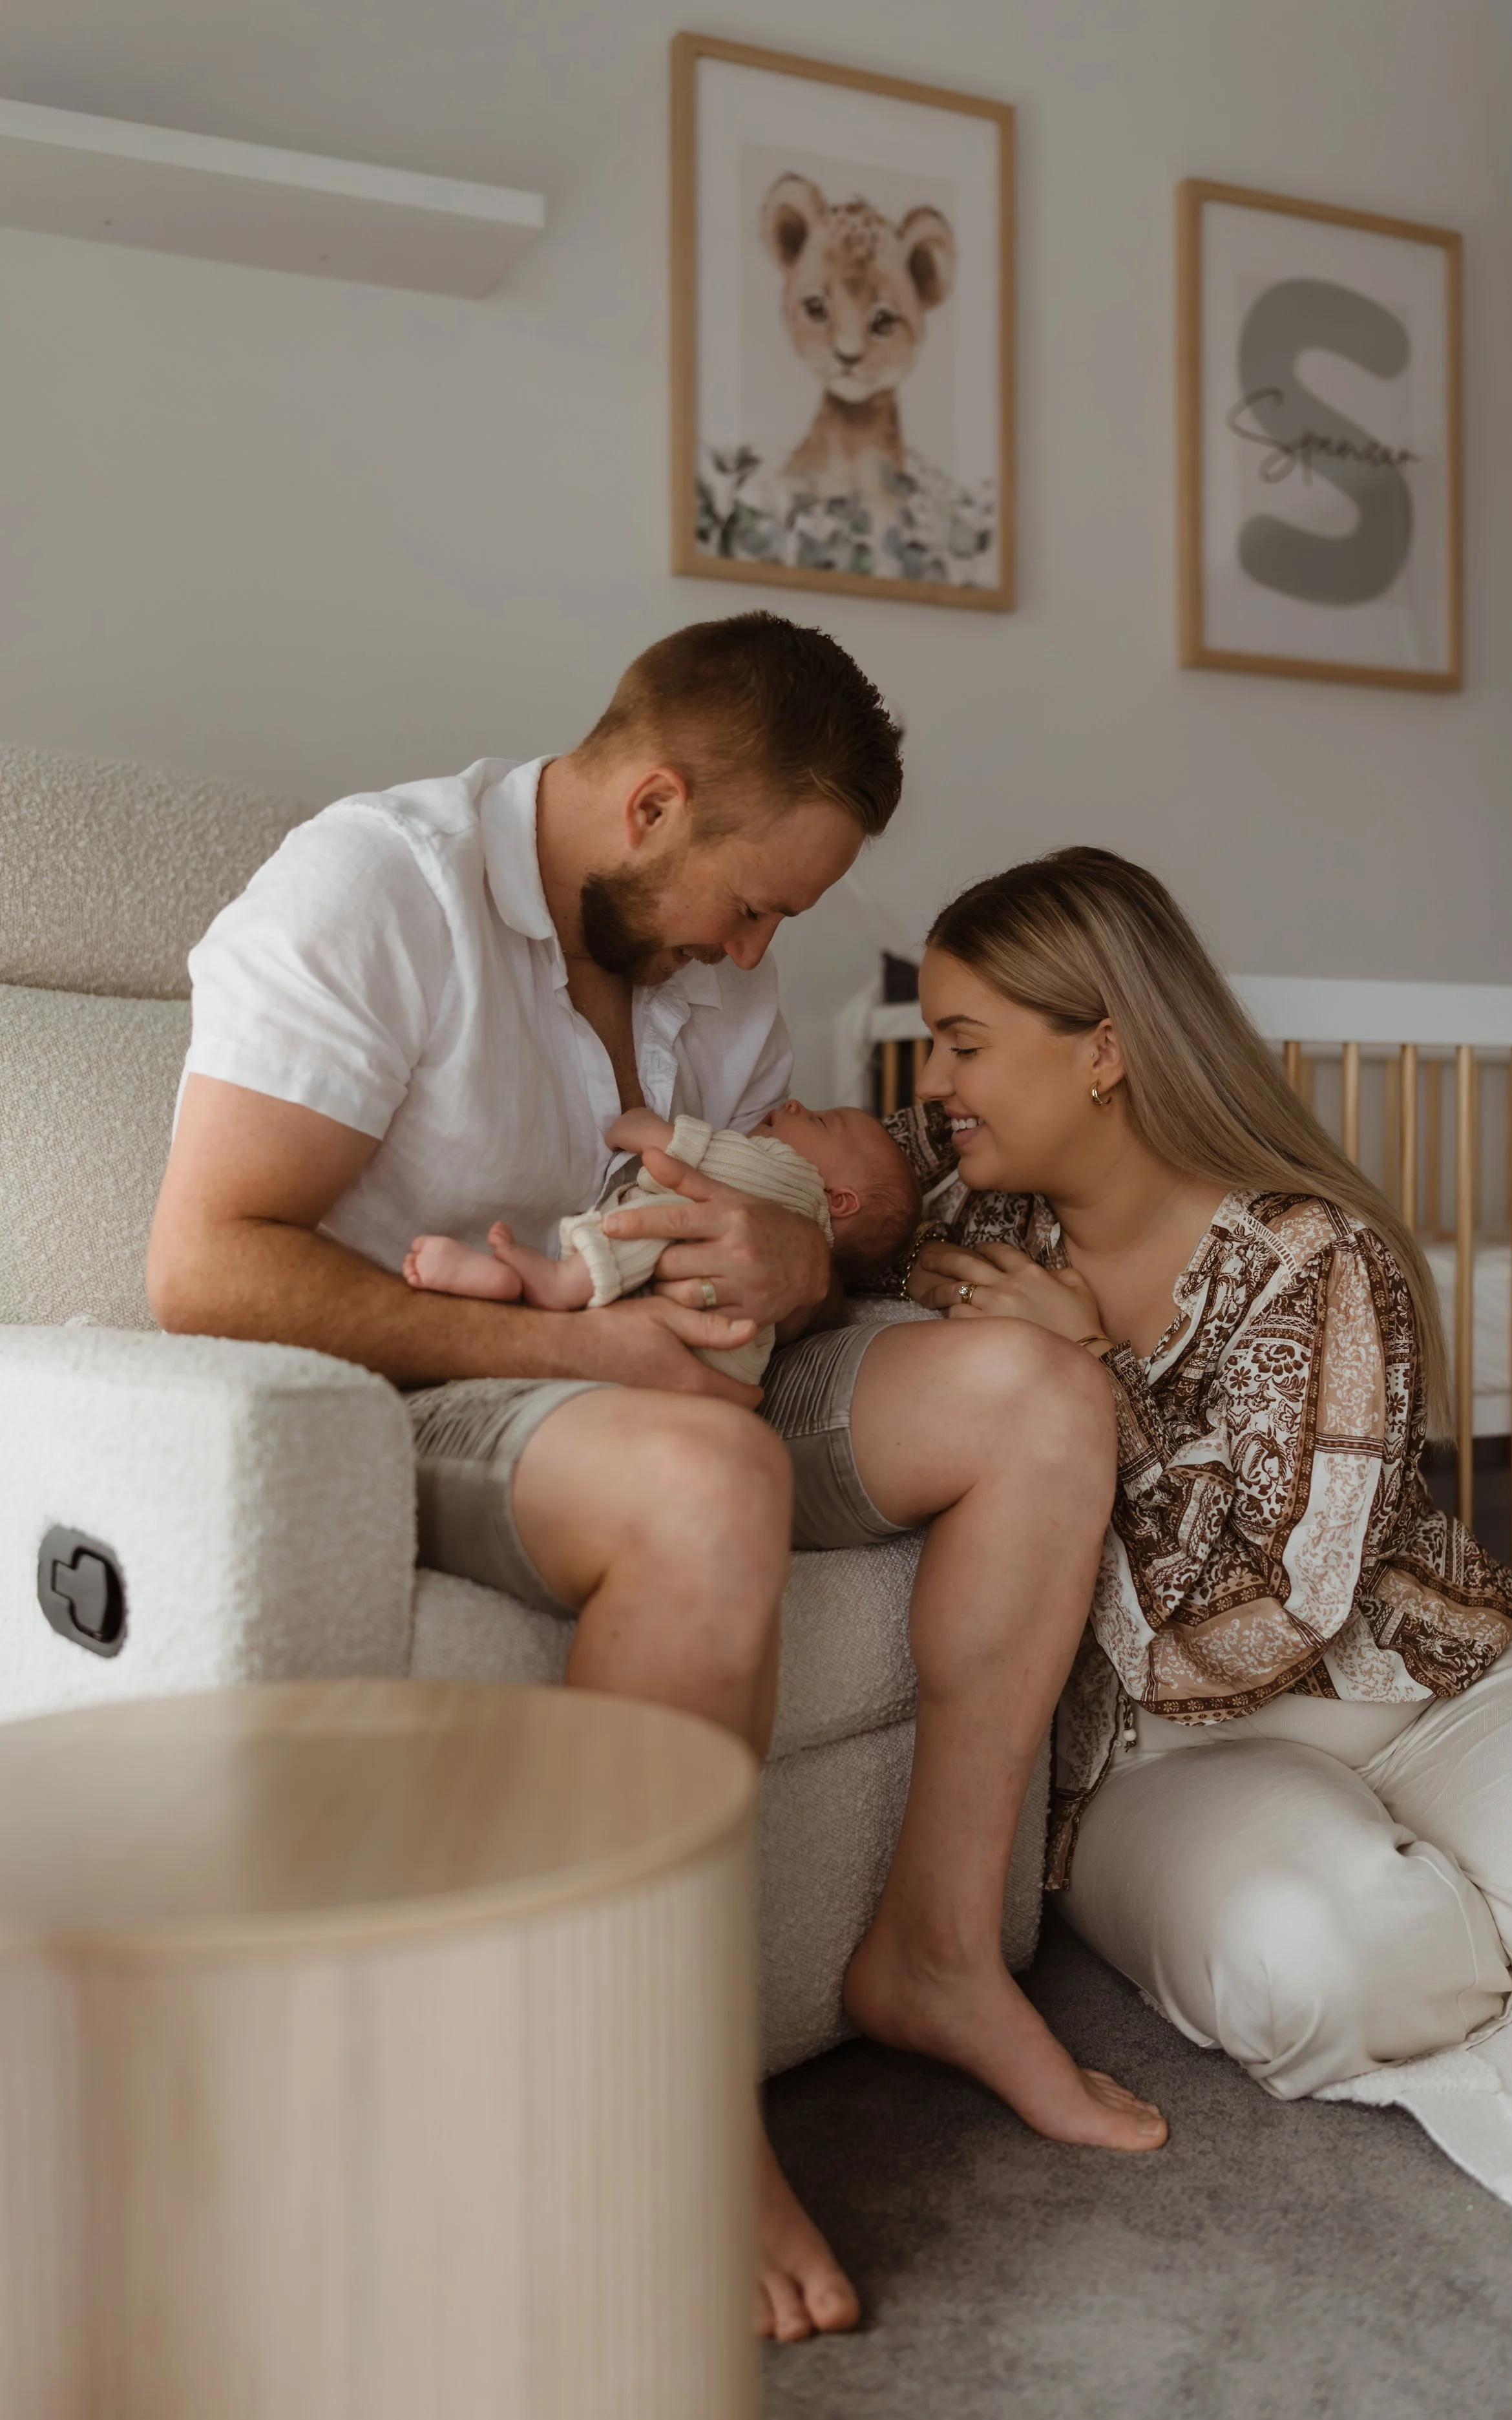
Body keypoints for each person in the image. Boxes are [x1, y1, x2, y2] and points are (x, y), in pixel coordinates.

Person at [146, 615, 1160, 2348]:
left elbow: (773, 1228)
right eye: (750, 906)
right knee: (706, 1478)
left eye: (777, 924)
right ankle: (653, 2086)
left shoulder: (709, 968)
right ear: (652, 805)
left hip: (674, 1364)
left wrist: (798, 1257)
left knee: (1043, 1402)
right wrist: (585, 1353)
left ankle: (934, 1954)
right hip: (419, 1390)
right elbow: (205, 1268)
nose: (756, 952)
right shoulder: (373, 892)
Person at [892, 843, 1512, 2099]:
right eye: (928, 1044)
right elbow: (832, 1175)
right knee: (1337, 1973)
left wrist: (1094, 1374)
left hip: (1423, 1685)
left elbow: (1284, 1608)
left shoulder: (1314, 1256)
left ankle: (1495, 1883)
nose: (930, 1082)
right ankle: (1436, 1910)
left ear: (1103, 1051)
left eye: (962, 1044)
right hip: (1152, 1757)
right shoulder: (967, 1215)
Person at [403, 1096, 919, 1384]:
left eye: (821, 1120)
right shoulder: (792, 1217)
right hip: (715, 1358)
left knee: (659, 1220)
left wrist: (651, 1131)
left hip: (675, 1316)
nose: (797, 1103)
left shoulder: (795, 1180)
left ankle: (561, 1279)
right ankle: (505, 1285)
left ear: (839, 1201)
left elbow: (713, 1155)